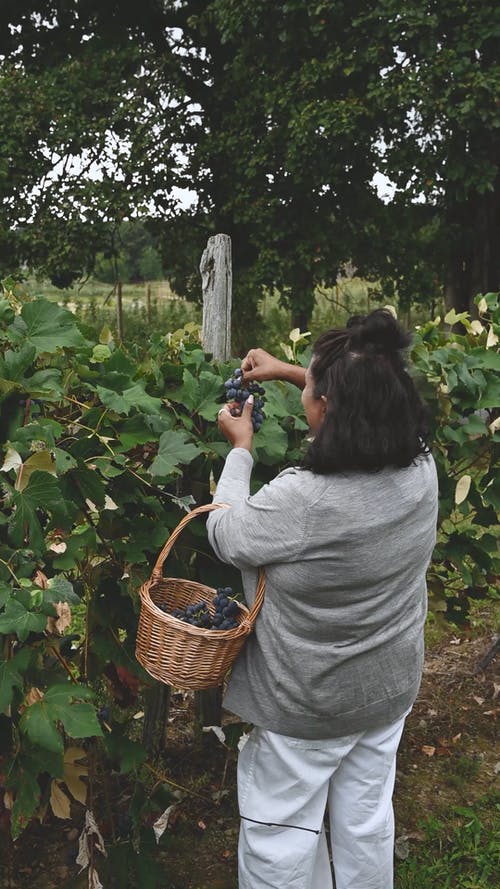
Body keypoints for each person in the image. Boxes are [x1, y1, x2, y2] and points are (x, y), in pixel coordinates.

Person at [206, 308, 438, 889]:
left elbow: (226, 533)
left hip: (308, 705)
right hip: (385, 691)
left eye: (309, 386)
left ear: (326, 409)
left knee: (280, 838)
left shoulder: (303, 502)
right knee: (364, 821)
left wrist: (240, 450)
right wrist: (290, 371)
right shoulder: (422, 470)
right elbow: (363, 400)